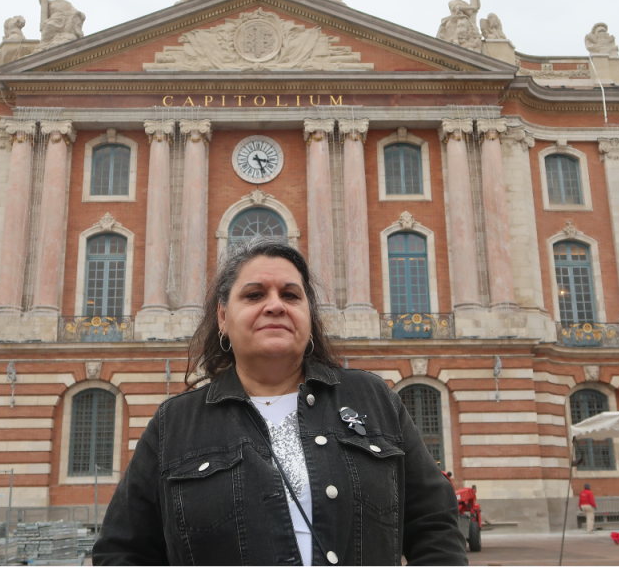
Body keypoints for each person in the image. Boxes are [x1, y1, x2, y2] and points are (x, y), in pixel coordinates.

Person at [93, 238, 467, 566]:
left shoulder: (373, 398)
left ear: (308, 314)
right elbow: (122, 550)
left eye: (290, 295)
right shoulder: (175, 424)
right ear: (223, 317)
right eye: (254, 295)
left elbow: (435, 527)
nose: (275, 306)